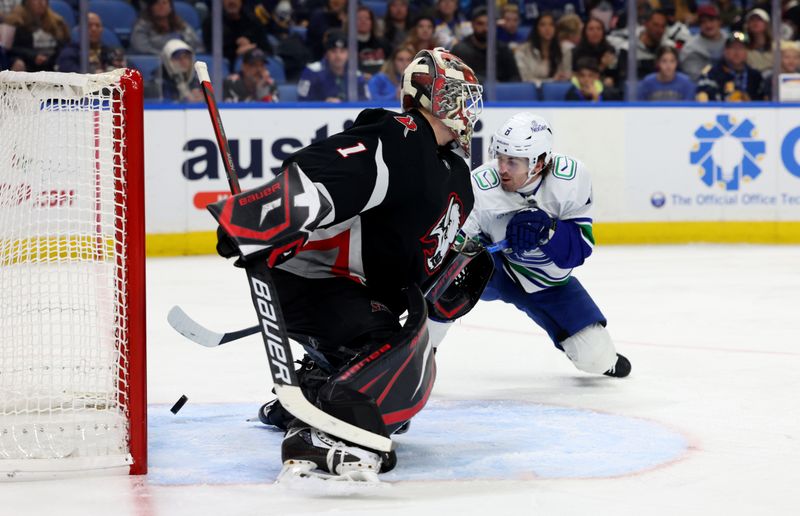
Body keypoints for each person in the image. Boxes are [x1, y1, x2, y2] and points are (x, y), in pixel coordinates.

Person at [214, 47, 483, 480]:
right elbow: (333, 166)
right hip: (313, 277)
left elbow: (414, 254)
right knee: (385, 359)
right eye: (459, 95)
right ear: (433, 96)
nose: (469, 109)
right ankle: (320, 432)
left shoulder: (454, 174)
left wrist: (446, 280)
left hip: (354, 292)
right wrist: (270, 214)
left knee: (399, 384)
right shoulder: (401, 135)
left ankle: (314, 388)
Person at [444, 112, 631, 379]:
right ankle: (424, 352)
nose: (502, 169)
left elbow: (579, 251)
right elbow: (454, 243)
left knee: (595, 358)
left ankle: (604, 360)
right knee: (446, 288)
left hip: (548, 284)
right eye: (500, 157)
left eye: (513, 161)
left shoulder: (570, 180)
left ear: (540, 162)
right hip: (493, 270)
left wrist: (548, 231)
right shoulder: (481, 185)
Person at [296, 29, 370, 102]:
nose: (338, 56)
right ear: (327, 54)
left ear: (348, 54)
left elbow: (365, 103)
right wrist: (324, 104)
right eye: (333, 51)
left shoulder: (356, 76)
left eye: (342, 51)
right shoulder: (311, 72)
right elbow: (302, 101)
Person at [452, 6, 519, 83]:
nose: (485, 29)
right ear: (472, 25)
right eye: (480, 24)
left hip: (500, 92)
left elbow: (515, 77)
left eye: (489, 24)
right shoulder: (460, 50)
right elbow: (455, 79)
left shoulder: (503, 49)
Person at [201, 0, 271, 74]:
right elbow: (210, 53)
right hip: (222, 71)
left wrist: (252, 48)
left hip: (253, 64)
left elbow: (268, 50)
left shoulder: (253, 20)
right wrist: (236, 53)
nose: (231, 1)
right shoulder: (211, 22)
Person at [696, 31, 767, 102]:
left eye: (741, 48)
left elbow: (763, 101)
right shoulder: (712, 73)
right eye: (733, 48)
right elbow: (704, 96)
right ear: (725, 51)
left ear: (747, 52)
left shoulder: (755, 76)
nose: (737, 52)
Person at [4, 0, 70, 72]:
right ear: (27, 2)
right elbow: (11, 49)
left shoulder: (57, 22)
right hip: (28, 65)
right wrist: (33, 56)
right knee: (18, 64)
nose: (41, 3)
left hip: (51, 65)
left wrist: (53, 60)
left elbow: (65, 46)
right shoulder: (16, 22)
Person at [56, 12, 125, 73]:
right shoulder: (68, 54)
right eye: (89, 25)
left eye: (97, 25)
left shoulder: (109, 52)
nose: (94, 29)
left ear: (102, 30)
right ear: (80, 30)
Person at [130, 0, 204, 55]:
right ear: (151, 7)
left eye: (164, 3)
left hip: (184, 60)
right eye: (157, 3)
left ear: (170, 7)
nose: (161, 6)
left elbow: (196, 44)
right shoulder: (141, 26)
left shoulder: (180, 24)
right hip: (157, 61)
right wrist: (168, 56)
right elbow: (142, 48)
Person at [515, 11, 570, 85]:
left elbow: (566, 77)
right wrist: (551, 81)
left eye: (551, 25)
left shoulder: (564, 50)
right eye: (543, 25)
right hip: (531, 91)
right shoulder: (523, 51)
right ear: (536, 28)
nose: (548, 29)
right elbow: (525, 79)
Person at [144, 38, 203, 102]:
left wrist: (203, 99)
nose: (183, 61)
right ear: (167, 60)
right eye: (177, 58)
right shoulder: (157, 85)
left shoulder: (198, 82)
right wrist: (185, 98)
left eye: (186, 57)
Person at [679, 4, 725, 82]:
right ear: (699, 25)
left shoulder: (730, 40)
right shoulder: (690, 48)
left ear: (719, 21)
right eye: (703, 22)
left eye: (711, 20)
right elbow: (694, 79)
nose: (708, 25)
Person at [354, 5, 392, 79]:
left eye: (367, 18)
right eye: (359, 18)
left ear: (372, 22)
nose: (363, 21)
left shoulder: (383, 42)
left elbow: (391, 63)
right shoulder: (348, 44)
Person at [743, 8, 773, 74]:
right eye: (752, 20)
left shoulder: (778, 46)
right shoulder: (744, 49)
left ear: (766, 24)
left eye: (759, 20)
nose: (755, 22)